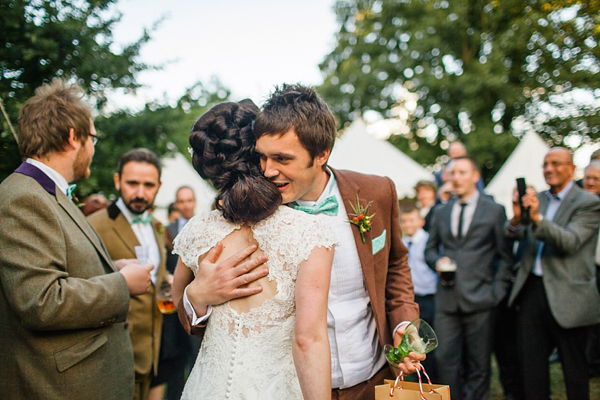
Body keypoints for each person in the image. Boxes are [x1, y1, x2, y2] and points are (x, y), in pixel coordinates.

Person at [180, 84, 422, 399]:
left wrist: (403, 322)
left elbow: (395, 263)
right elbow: (222, 327)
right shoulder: (247, 218)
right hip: (292, 388)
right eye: (262, 157)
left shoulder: (377, 192)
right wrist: (197, 295)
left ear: (321, 154)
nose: (268, 171)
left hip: (374, 377)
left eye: (282, 159)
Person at [171, 99, 336, 399]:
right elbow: (308, 341)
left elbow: (177, 308)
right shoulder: (311, 234)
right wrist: (198, 294)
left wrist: (190, 297)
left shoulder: (197, 230)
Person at [0, 79, 152, 399]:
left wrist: (112, 267)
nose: (93, 149)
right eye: (92, 138)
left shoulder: (45, 193)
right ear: (73, 137)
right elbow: (41, 300)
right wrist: (122, 283)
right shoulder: (21, 198)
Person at [507, 147, 600, 399]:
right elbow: (517, 235)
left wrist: (536, 218)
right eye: (546, 164)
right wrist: (516, 220)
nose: (549, 169)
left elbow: (570, 241)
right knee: (532, 369)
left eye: (556, 164)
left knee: (575, 372)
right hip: (531, 291)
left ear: (572, 168)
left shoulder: (589, 203)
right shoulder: (539, 198)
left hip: (569, 294)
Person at [425, 156, 513, 400]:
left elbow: (505, 257)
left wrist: (496, 293)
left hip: (481, 299)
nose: (456, 178)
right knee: (445, 362)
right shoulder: (440, 212)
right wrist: (437, 262)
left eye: (462, 172)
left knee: (479, 364)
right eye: (453, 173)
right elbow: (430, 249)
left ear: (475, 176)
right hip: (447, 301)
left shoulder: (494, 211)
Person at [88, 148, 167, 400]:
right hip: (112, 360)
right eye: (133, 183)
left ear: (159, 186)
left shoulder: (156, 225)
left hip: (151, 356)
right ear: (117, 181)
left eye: (148, 185)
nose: (141, 193)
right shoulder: (94, 225)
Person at [400, 204, 438, 380]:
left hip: (429, 297)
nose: (407, 224)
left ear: (421, 221)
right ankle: (417, 378)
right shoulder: (401, 243)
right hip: (410, 299)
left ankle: (432, 378)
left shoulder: (429, 241)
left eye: (411, 220)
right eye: (404, 221)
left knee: (429, 340)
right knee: (414, 342)